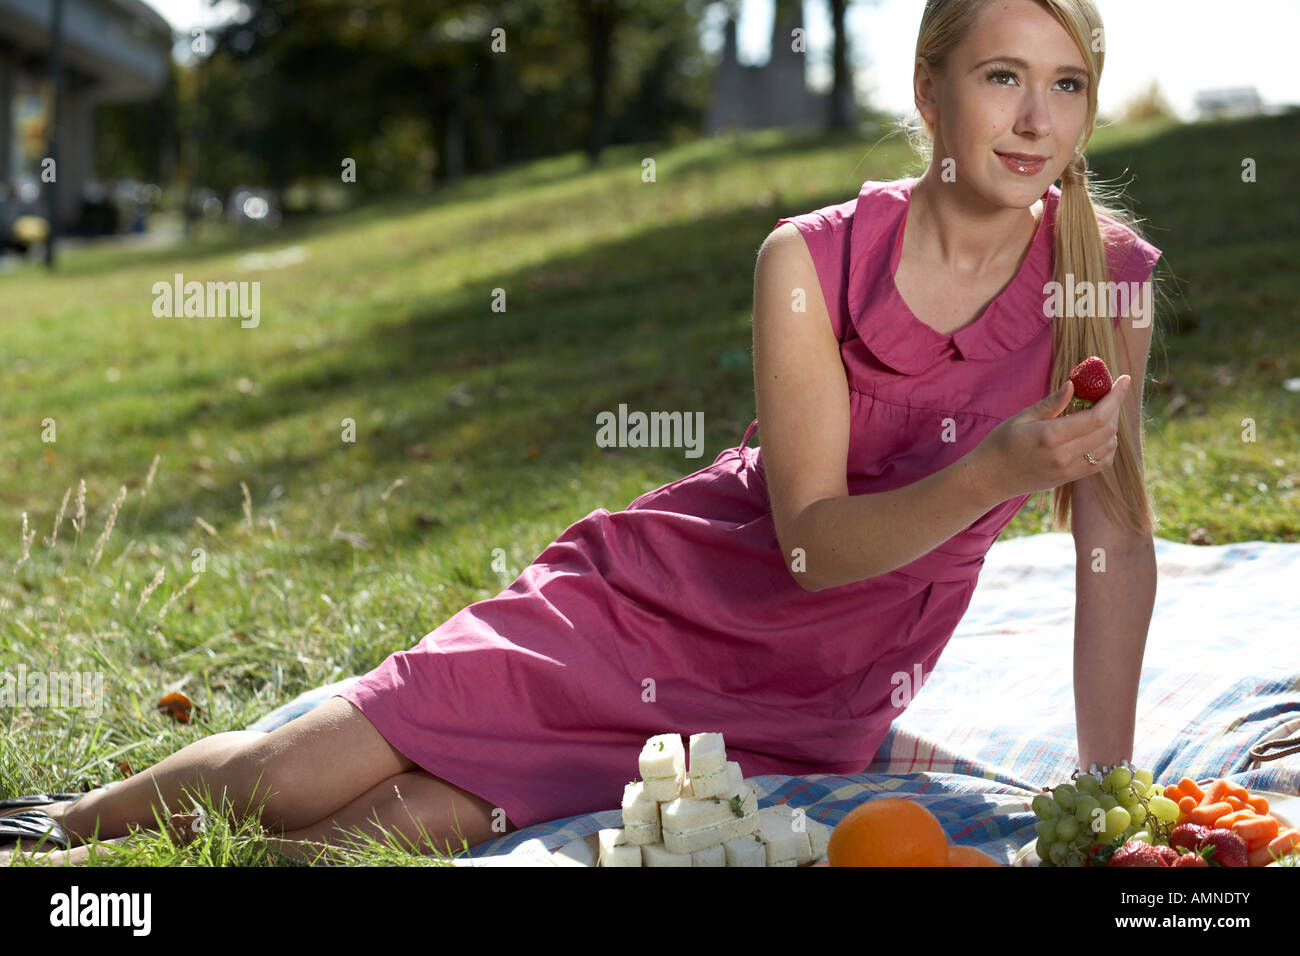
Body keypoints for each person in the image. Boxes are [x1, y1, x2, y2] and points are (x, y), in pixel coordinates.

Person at [3, 0, 1161, 866]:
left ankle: (134, 881)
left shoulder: (1101, 280)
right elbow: (808, 543)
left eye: (1065, 86)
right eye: (1001, 76)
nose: (1031, 118)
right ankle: (58, 832)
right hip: (663, 598)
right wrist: (993, 470)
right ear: (928, 92)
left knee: (406, 826)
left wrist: (1107, 788)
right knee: (298, 769)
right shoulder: (811, 258)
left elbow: (1113, 539)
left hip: (808, 701)